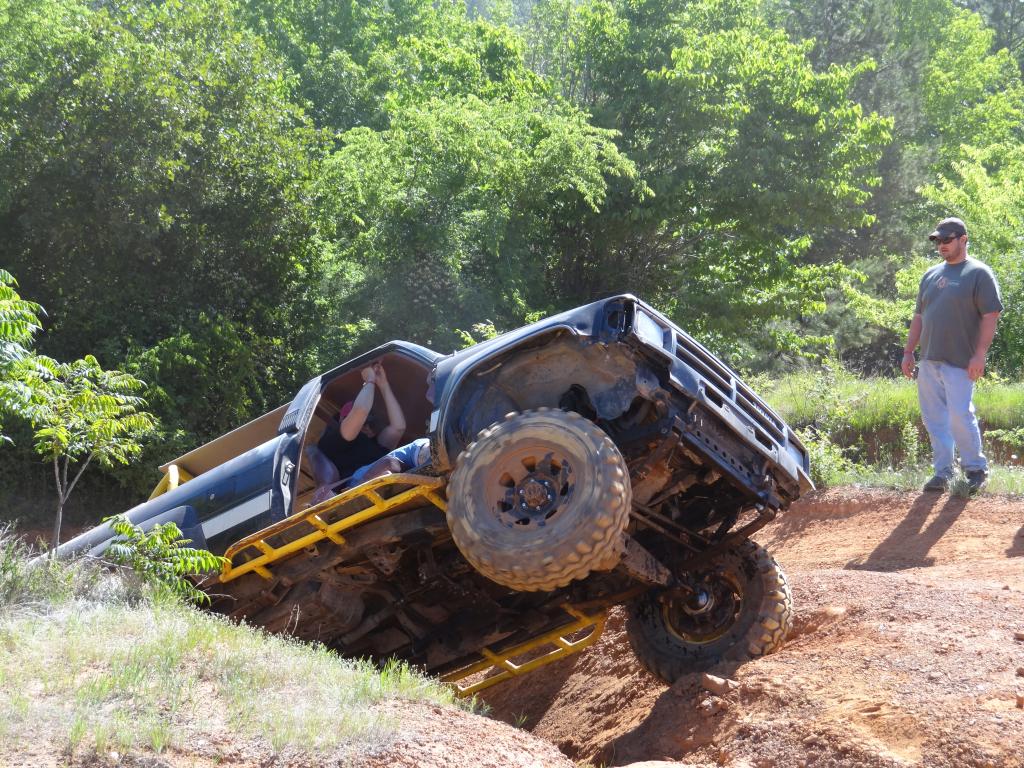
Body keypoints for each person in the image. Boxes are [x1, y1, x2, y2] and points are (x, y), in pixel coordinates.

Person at [901, 217, 1003, 493]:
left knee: (960, 415)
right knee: (934, 419)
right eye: (938, 241)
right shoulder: (931, 275)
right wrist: (909, 352)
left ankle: (975, 470)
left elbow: (990, 315)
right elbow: (919, 316)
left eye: (947, 240)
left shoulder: (978, 273)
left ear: (963, 239)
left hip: (960, 359)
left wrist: (979, 355)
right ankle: (943, 472)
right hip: (929, 358)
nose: (942, 245)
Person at [307, 362, 406, 503]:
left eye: (369, 423)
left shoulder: (375, 445)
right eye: (363, 422)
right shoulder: (333, 441)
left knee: (393, 460)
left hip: (386, 485)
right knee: (393, 460)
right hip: (357, 491)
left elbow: (398, 427)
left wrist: (383, 384)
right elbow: (360, 411)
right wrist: (369, 381)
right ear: (343, 419)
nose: (365, 425)